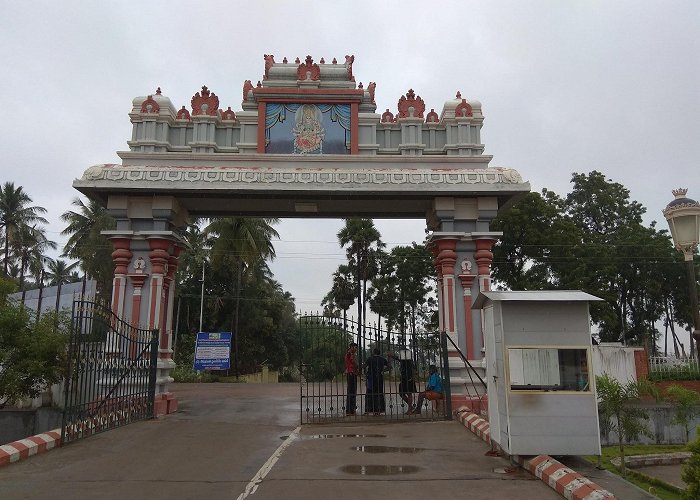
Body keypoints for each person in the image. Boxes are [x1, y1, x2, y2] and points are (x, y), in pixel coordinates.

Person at [389, 349, 416, 414]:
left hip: (409, 378)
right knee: (401, 393)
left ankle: (410, 409)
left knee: (409, 394)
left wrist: (412, 377)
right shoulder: (403, 360)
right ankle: (411, 407)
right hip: (403, 379)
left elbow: (413, 369)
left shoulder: (409, 360)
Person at [364, 348, 389, 415]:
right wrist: (382, 371)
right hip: (379, 377)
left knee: (369, 393)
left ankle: (368, 410)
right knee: (379, 393)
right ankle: (378, 410)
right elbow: (389, 367)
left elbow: (364, 366)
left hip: (371, 378)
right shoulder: (382, 359)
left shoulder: (370, 358)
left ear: (373, 352)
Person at [345, 342, 359, 415]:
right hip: (351, 373)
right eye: (355, 347)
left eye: (356, 348)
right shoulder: (349, 354)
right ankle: (350, 410)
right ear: (351, 347)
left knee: (352, 391)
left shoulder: (351, 354)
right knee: (351, 391)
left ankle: (351, 409)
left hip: (352, 373)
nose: (356, 349)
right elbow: (354, 362)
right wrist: (357, 366)